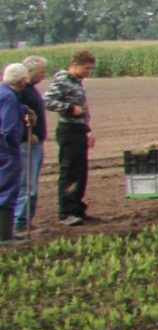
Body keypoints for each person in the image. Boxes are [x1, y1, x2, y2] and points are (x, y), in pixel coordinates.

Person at [44, 51, 94, 226]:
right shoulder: (62, 81)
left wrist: (88, 130)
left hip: (79, 129)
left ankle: (77, 209)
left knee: (81, 171)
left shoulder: (77, 82)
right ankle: (66, 212)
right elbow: (48, 101)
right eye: (86, 68)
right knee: (70, 171)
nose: (88, 72)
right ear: (75, 65)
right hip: (68, 130)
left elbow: (83, 110)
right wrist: (69, 108)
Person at [16, 55, 44, 233]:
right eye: (41, 72)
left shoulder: (30, 89)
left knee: (30, 182)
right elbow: (15, 115)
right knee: (27, 183)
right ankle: (20, 221)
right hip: (27, 143)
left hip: (34, 142)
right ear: (29, 72)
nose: (43, 75)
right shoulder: (21, 92)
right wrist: (28, 133)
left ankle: (26, 220)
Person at [0, 67, 23, 244]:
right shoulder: (9, 96)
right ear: (22, 80)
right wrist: (14, 150)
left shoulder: (3, 92)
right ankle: (5, 235)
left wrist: (23, 108)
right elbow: (8, 130)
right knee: (7, 189)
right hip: (6, 150)